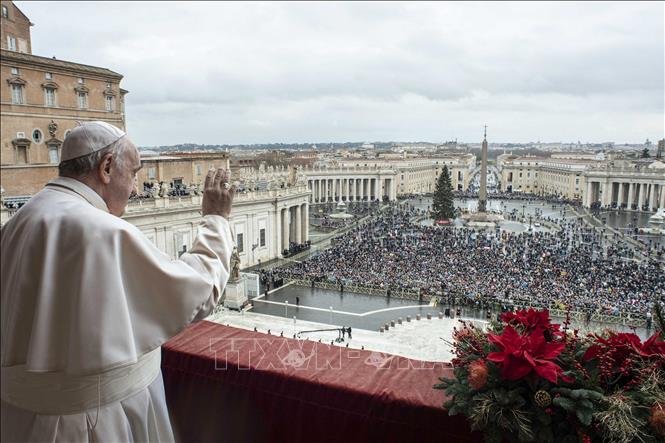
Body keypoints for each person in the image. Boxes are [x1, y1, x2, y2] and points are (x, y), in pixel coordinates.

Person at [1, 121, 235, 442]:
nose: (136, 188)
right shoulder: (105, 231)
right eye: (135, 172)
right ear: (107, 167)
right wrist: (216, 220)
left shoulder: (19, 221)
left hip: (18, 420)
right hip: (98, 424)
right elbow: (199, 292)